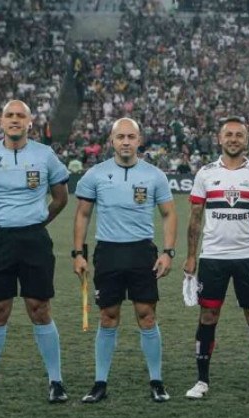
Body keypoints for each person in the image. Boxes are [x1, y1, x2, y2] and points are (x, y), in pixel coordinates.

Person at [0, 100, 70, 404]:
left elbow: (60, 198)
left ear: (30, 122)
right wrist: (3, 218)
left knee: (40, 308)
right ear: (1, 121)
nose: (14, 120)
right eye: (9, 115)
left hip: (34, 241)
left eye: (20, 116)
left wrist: (35, 222)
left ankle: (56, 381)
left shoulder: (45, 155)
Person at [73, 117, 177, 403]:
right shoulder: (95, 174)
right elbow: (82, 214)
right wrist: (78, 254)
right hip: (108, 252)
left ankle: (156, 381)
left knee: (147, 315)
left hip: (142, 252)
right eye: (121, 137)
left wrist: (168, 253)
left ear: (140, 140)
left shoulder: (154, 175)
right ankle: (100, 383)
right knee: (107, 317)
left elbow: (169, 214)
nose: (126, 142)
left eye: (131, 137)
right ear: (112, 141)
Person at [183, 117, 249, 400]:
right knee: (208, 316)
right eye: (229, 135)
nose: (233, 139)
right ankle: (202, 380)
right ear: (219, 139)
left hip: (248, 257)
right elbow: (195, 219)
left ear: (246, 139)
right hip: (213, 257)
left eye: (239, 135)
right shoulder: (205, 174)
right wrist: (190, 257)